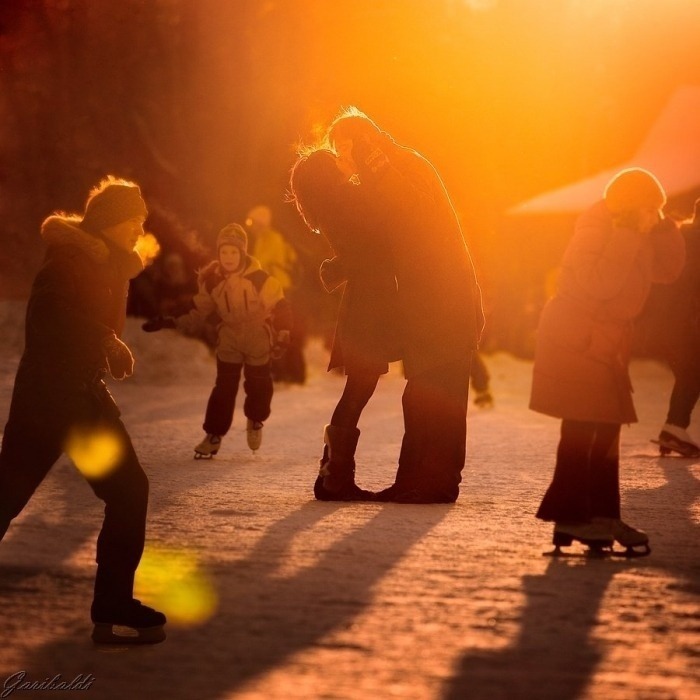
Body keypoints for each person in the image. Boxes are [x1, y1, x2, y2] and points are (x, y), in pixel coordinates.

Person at [0, 176, 166, 644]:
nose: (139, 227)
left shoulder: (112, 265)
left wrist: (103, 345)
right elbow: (47, 316)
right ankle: (112, 604)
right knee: (6, 498)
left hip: (83, 399)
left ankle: (112, 604)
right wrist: (103, 338)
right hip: (46, 402)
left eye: (142, 220)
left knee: (130, 490)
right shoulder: (68, 260)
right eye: (132, 219)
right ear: (110, 221)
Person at [326, 107, 484, 503]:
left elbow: (412, 212)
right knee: (425, 393)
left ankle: (431, 482)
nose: (343, 161)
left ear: (360, 142)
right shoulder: (391, 170)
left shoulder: (402, 165)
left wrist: (373, 161)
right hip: (433, 302)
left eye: (344, 150)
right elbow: (386, 238)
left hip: (445, 302)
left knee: (435, 393)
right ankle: (421, 480)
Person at [530, 167, 685, 555]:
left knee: (605, 429)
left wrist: (663, 229)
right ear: (633, 208)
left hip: (603, 340)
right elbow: (599, 283)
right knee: (586, 427)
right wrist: (629, 234)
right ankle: (575, 516)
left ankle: (598, 514)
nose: (655, 217)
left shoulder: (635, 229)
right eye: (652, 210)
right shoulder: (599, 228)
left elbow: (668, 271)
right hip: (577, 337)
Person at [289, 148, 401, 501]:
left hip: (364, 305)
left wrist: (336, 268)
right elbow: (369, 244)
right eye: (335, 160)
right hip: (367, 307)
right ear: (326, 174)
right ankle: (334, 476)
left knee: (359, 387)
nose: (343, 162)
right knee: (358, 387)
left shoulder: (334, 205)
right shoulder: (345, 202)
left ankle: (332, 474)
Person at [142, 223, 292, 458]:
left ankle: (255, 419)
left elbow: (280, 307)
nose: (229, 257)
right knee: (224, 387)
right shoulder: (212, 281)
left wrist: (282, 333)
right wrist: (169, 321)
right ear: (219, 253)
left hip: (257, 336)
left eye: (233, 252)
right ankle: (213, 435)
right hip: (229, 337)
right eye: (224, 252)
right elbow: (197, 311)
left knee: (259, 384)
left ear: (242, 252)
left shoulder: (261, 279)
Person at [653, 198, 700, 457]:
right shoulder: (695, 241)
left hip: (668, 323)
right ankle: (674, 427)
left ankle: (674, 428)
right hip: (688, 323)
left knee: (690, 374)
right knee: (692, 373)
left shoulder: (681, 237)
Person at [245, 204, 307, 384]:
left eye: (253, 222)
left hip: (279, 291)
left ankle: (291, 374)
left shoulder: (272, 239)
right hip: (273, 291)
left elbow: (261, 265)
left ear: (261, 223)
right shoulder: (264, 239)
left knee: (280, 330)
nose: (252, 227)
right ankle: (286, 373)